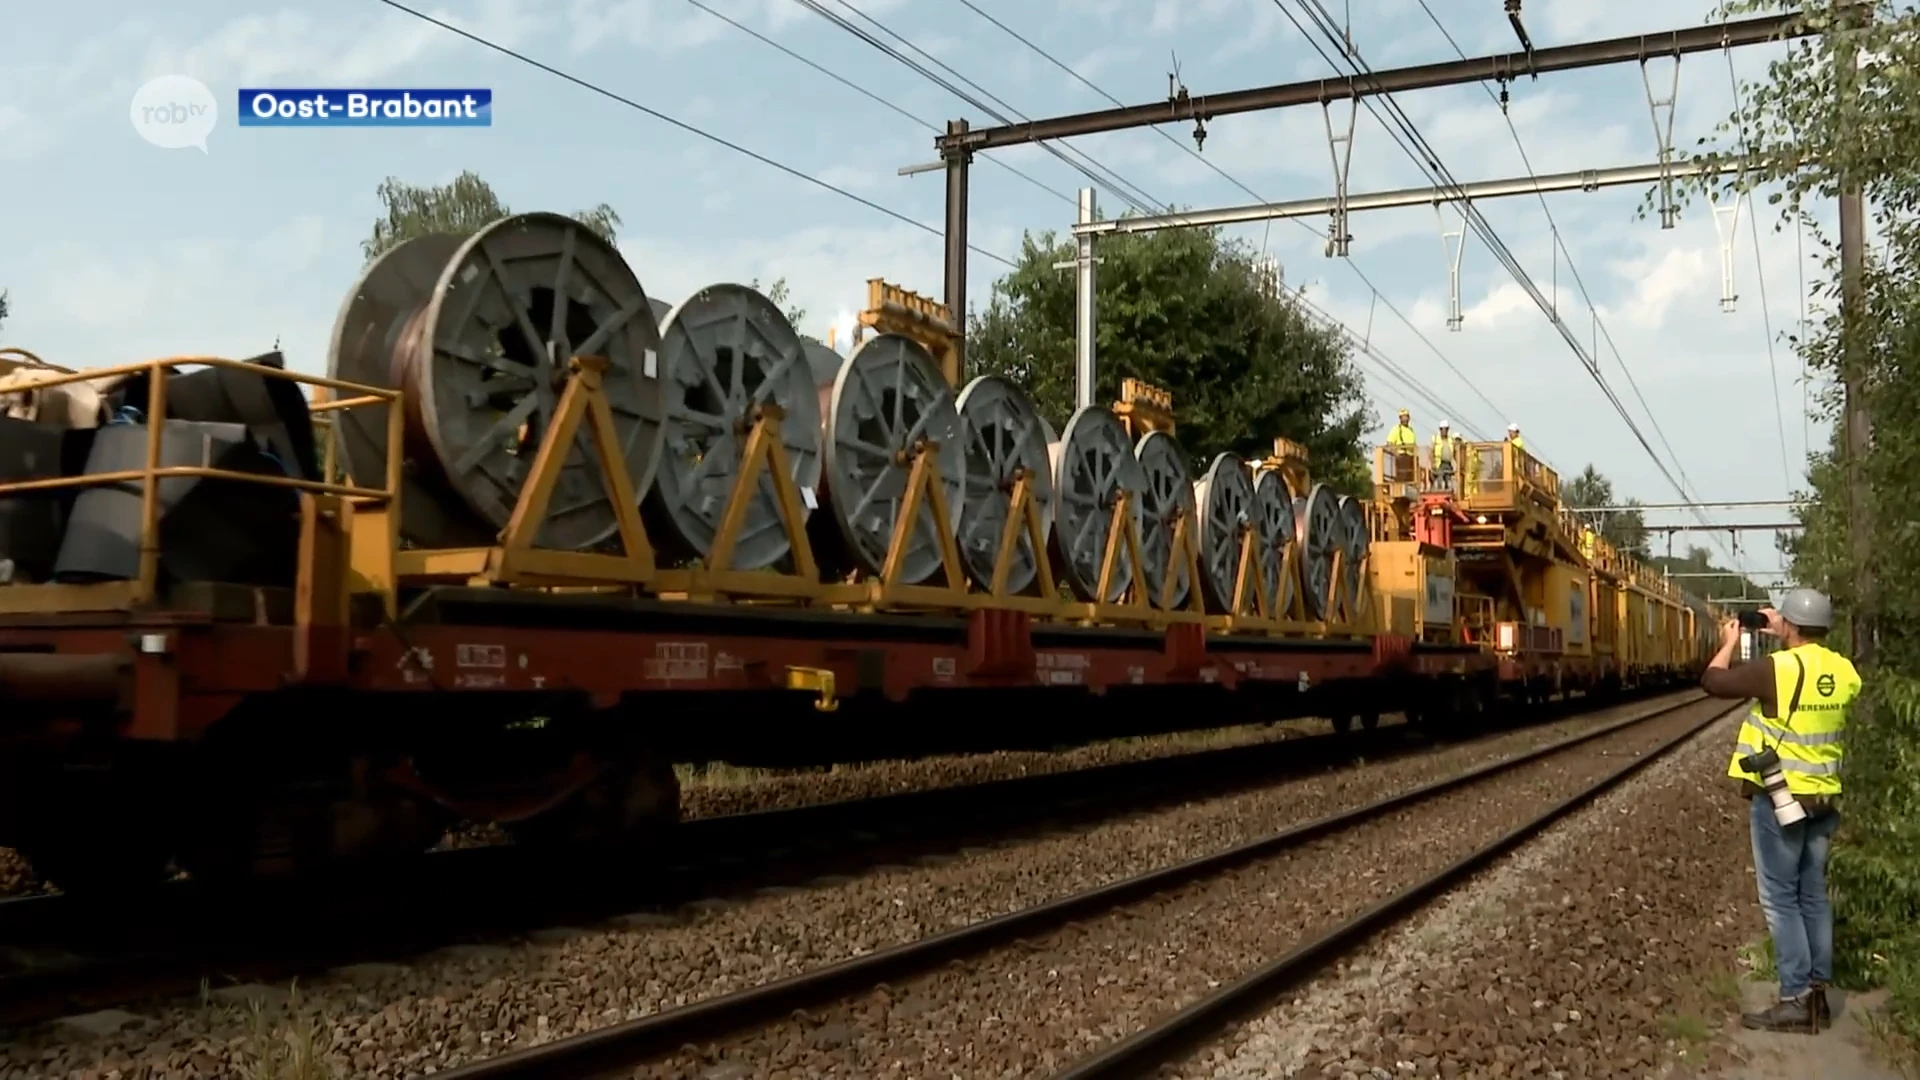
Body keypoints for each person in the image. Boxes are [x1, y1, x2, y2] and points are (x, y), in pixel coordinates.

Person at [1701, 588, 1860, 1034]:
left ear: (1787, 625)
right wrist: (1789, 630)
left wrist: (1730, 641)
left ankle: (1794, 998)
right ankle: (1818, 998)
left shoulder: (1777, 669)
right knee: (1813, 896)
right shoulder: (1844, 671)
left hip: (1781, 801)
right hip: (1825, 800)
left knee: (1780, 900)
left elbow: (1713, 681)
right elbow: (1814, 676)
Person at [1431, 419, 1457, 491]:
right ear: (1440, 430)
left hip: (1448, 463)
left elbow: (1454, 451)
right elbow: (1431, 452)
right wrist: (1432, 464)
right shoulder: (1436, 439)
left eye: (1446, 429)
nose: (1444, 431)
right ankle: (1440, 491)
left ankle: (1448, 492)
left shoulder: (1450, 439)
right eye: (1442, 429)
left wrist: (1456, 464)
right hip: (1439, 463)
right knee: (1440, 479)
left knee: (1448, 480)